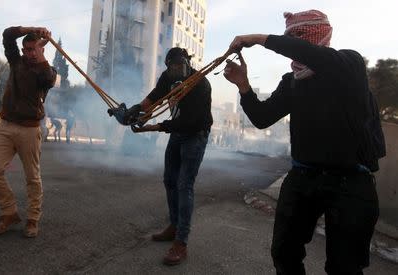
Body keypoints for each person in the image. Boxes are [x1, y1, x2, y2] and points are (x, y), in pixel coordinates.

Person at [223, 10, 385, 275]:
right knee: (284, 254)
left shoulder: (349, 64)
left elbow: (310, 54)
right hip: (302, 177)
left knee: (344, 266)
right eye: (292, 36)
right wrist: (244, 86)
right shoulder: (292, 82)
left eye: (302, 35)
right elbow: (262, 118)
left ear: (323, 33)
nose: (297, 42)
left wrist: (260, 38)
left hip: (351, 182)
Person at [123, 47, 213, 265]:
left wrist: (151, 127)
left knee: (184, 184)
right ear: (168, 66)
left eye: (180, 65)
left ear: (187, 63)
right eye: (172, 66)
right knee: (169, 180)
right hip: (177, 133)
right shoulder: (168, 77)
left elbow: (190, 122)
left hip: (194, 134)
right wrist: (137, 109)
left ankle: (181, 243)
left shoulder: (200, 84)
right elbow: (155, 97)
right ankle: (174, 226)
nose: (176, 70)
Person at [0, 26, 57, 238]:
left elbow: (49, 80)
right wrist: (32, 29)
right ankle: (9, 213)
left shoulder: (48, 70)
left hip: (30, 129)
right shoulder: (16, 61)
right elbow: (7, 34)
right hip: (6, 126)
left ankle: (33, 219)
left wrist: (41, 52)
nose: (29, 53)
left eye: (33, 49)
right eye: (26, 49)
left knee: (32, 177)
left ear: (42, 49)